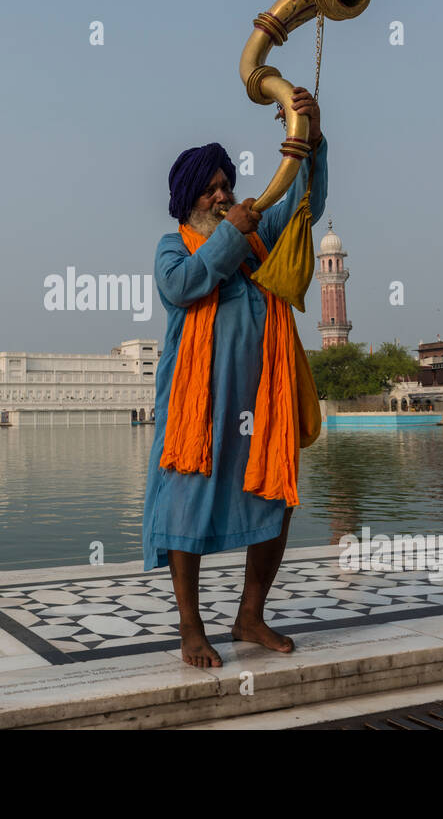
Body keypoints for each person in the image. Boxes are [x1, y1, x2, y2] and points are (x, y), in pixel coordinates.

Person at [144, 86, 326, 669]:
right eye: (212, 188)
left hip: (260, 401)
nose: (223, 194)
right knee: (185, 506)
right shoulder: (173, 248)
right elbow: (186, 285)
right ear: (189, 200)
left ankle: (250, 615)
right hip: (197, 408)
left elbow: (304, 205)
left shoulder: (257, 237)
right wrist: (231, 231)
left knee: (275, 496)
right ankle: (191, 628)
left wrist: (309, 140)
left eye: (227, 184)